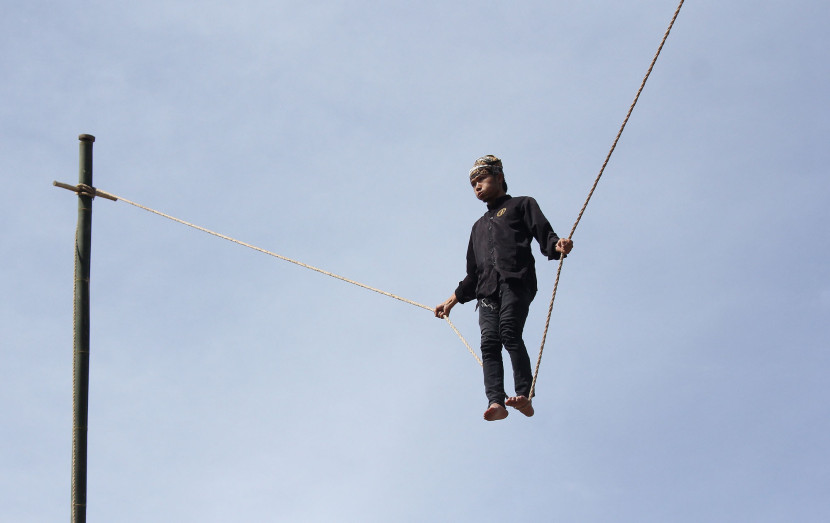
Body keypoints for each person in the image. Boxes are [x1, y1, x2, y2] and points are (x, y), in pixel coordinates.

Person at [435, 155, 573, 421]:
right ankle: (496, 401)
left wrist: (557, 246)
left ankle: (524, 396)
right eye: (473, 183)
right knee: (489, 343)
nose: (477, 186)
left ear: (499, 177)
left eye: (482, 179)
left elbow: (544, 234)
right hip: (487, 291)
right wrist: (451, 301)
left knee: (509, 332)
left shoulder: (521, 205)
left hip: (516, 281)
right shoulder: (477, 227)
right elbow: (473, 275)